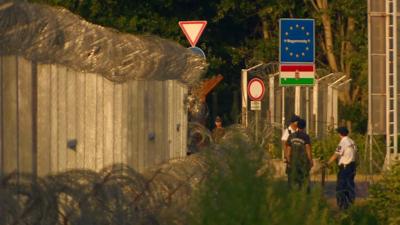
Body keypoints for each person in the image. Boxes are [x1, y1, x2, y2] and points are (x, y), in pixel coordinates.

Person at [326, 126, 357, 210]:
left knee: (341, 187)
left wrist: (328, 163)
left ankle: (342, 206)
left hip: (345, 167)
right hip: (352, 166)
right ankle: (350, 203)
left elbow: (336, 154)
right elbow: (355, 154)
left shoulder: (343, 142)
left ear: (340, 134)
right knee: (350, 185)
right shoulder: (352, 141)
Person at [286, 119, 313, 190]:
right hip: (302, 163)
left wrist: (288, 162)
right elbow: (308, 150)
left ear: (297, 126)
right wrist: (310, 161)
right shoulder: (306, 136)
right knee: (304, 181)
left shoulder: (291, 136)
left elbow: (288, 151)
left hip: (293, 162)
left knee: (292, 182)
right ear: (304, 127)